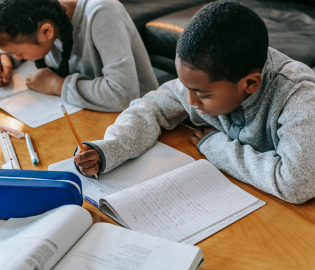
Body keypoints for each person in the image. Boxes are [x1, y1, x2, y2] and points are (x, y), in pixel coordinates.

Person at [74, 1, 315, 204]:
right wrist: (110, 148)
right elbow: (151, 106)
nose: (189, 101)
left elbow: (296, 184)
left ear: (251, 83)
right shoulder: (205, 78)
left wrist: (215, 146)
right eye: (185, 87)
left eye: (202, 94)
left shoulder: (298, 96)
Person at [0, 0, 158, 111]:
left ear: (46, 31)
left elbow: (123, 94)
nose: (19, 57)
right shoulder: (45, 19)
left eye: (18, 54)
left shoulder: (102, 12)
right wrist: (7, 58)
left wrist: (56, 85)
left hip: (141, 117)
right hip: (90, 112)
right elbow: (23, 41)